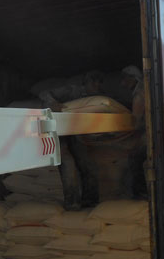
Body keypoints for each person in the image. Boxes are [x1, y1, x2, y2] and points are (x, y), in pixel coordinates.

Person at [37, 71, 104, 210]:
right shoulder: (72, 90)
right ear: (86, 82)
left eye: (99, 83)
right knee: (68, 166)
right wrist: (53, 103)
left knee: (87, 164)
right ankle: (72, 204)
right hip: (59, 132)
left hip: (76, 133)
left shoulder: (97, 98)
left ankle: (90, 201)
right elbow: (43, 93)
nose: (96, 86)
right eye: (93, 82)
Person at [118, 65, 147, 199]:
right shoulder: (143, 89)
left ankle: (141, 193)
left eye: (125, 79)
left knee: (135, 159)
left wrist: (121, 133)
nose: (123, 83)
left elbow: (136, 120)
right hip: (148, 132)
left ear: (132, 78)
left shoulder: (139, 93)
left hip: (147, 134)